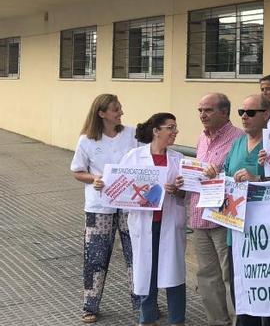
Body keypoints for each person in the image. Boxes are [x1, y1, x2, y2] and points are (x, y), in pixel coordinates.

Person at [205, 94, 270, 326]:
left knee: (267, 293)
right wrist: (215, 177)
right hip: (236, 230)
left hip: (266, 233)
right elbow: (227, 174)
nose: (244, 117)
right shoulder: (237, 143)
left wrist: (257, 178)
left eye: (251, 113)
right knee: (240, 289)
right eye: (241, 112)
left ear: (267, 114)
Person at [71, 94, 139, 324]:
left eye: (120, 108)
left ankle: (141, 304)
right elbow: (77, 171)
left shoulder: (131, 134)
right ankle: (90, 306)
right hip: (99, 206)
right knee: (96, 256)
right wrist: (94, 179)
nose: (121, 112)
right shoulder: (87, 140)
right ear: (101, 113)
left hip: (130, 204)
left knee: (136, 255)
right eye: (115, 109)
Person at [116, 113, 187, 326]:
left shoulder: (178, 159)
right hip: (144, 224)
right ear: (157, 131)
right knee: (147, 273)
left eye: (175, 127)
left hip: (170, 223)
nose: (175, 132)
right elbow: (121, 190)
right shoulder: (134, 157)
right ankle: (146, 320)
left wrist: (178, 190)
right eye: (170, 128)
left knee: (174, 274)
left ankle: (177, 321)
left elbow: (186, 194)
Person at [189, 93, 244, 326]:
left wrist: (220, 176)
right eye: (200, 110)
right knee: (207, 277)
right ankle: (217, 321)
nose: (203, 115)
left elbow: (241, 180)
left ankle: (237, 321)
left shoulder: (239, 139)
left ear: (224, 112)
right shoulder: (202, 138)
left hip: (223, 219)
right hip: (199, 217)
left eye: (208, 110)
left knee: (229, 275)